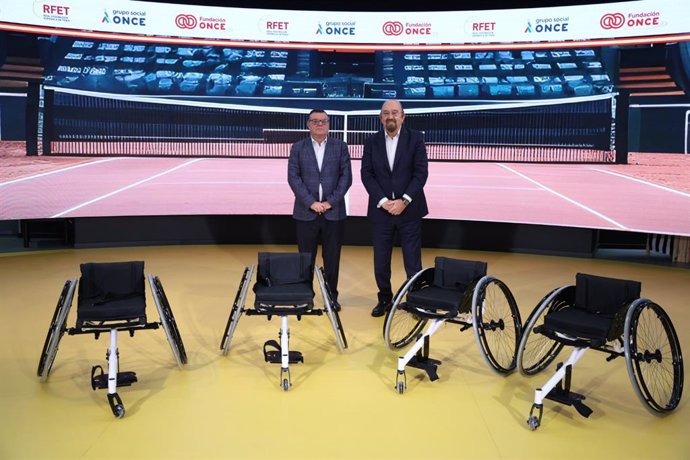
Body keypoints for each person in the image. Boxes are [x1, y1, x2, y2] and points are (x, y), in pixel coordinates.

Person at [361, 99, 429, 317]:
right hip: (381, 212)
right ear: (381, 117)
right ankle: (384, 299)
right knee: (381, 262)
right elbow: (367, 174)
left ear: (403, 116)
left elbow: (420, 174)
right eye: (386, 113)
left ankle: (415, 301)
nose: (390, 116)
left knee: (412, 261)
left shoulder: (416, 139)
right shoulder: (371, 141)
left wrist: (404, 201)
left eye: (395, 112)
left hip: (409, 211)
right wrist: (383, 201)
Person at [288, 109, 352, 311]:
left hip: (334, 214)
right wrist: (311, 203)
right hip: (306, 213)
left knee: (332, 258)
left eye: (323, 121)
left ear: (329, 124)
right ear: (308, 124)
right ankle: (305, 297)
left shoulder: (340, 147)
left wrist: (329, 203)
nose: (319, 124)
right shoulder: (297, 148)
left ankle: (331, 297)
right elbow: (294, 178)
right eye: (315, 121)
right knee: (305, 259)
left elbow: (346, 178)